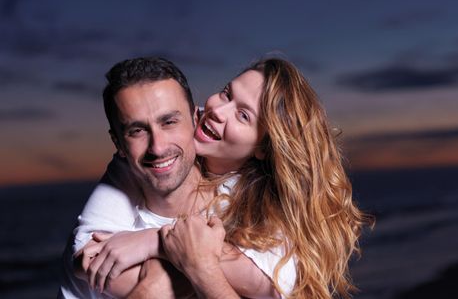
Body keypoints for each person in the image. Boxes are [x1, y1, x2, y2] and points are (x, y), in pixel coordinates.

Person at [58, 57, 292, 299]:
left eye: (169, 122)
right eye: (137, 131)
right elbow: (85, 261)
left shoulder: (261, 202)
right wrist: (183, 264)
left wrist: (161, 246)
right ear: (118, 143)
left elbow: (269, 286)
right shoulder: (119, 184)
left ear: (193, 118)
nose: (157, 147)